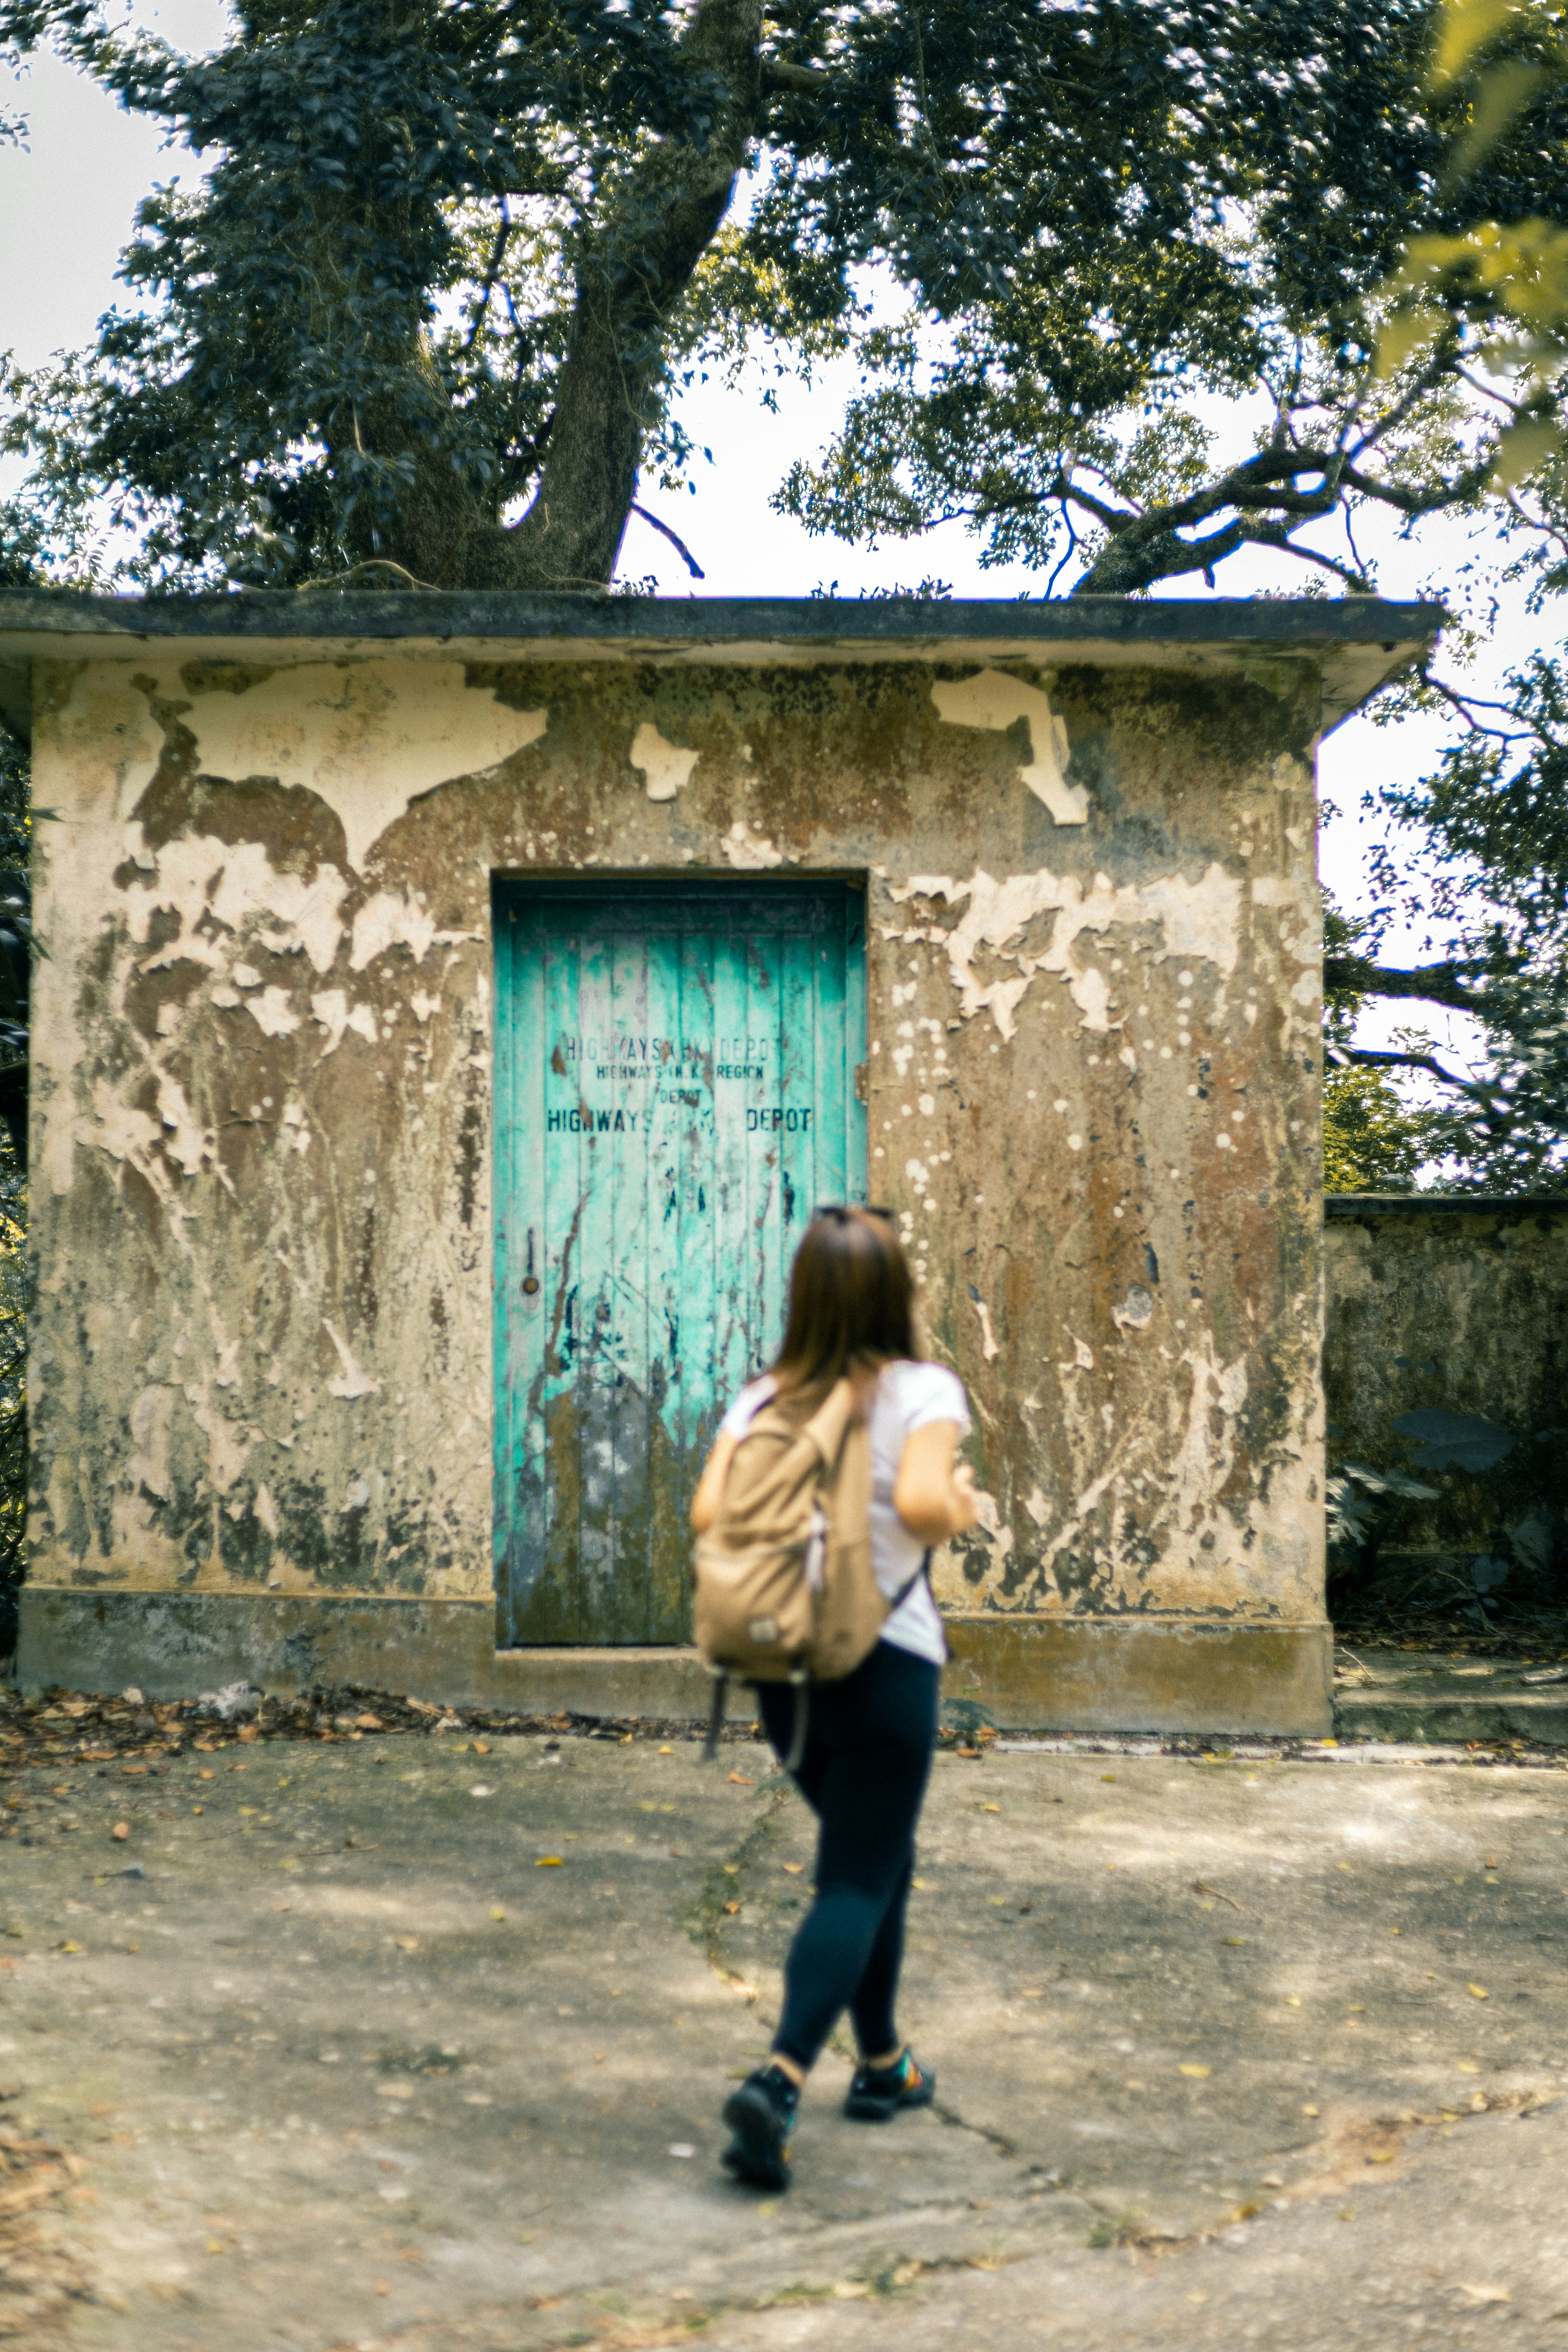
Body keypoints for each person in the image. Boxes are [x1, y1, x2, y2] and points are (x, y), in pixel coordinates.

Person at [690, 1205, 980, 2192]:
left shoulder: (762, 1399)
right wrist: (967, 1498)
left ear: (804, 1293)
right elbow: (926, 1508)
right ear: (895, 1292)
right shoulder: (921, 1390)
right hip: (887, 1665)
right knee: (856, 1876)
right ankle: (776, 2079)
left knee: (875, 1857)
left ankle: (885, 2063)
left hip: (785, 1676)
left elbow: (705, 1513)